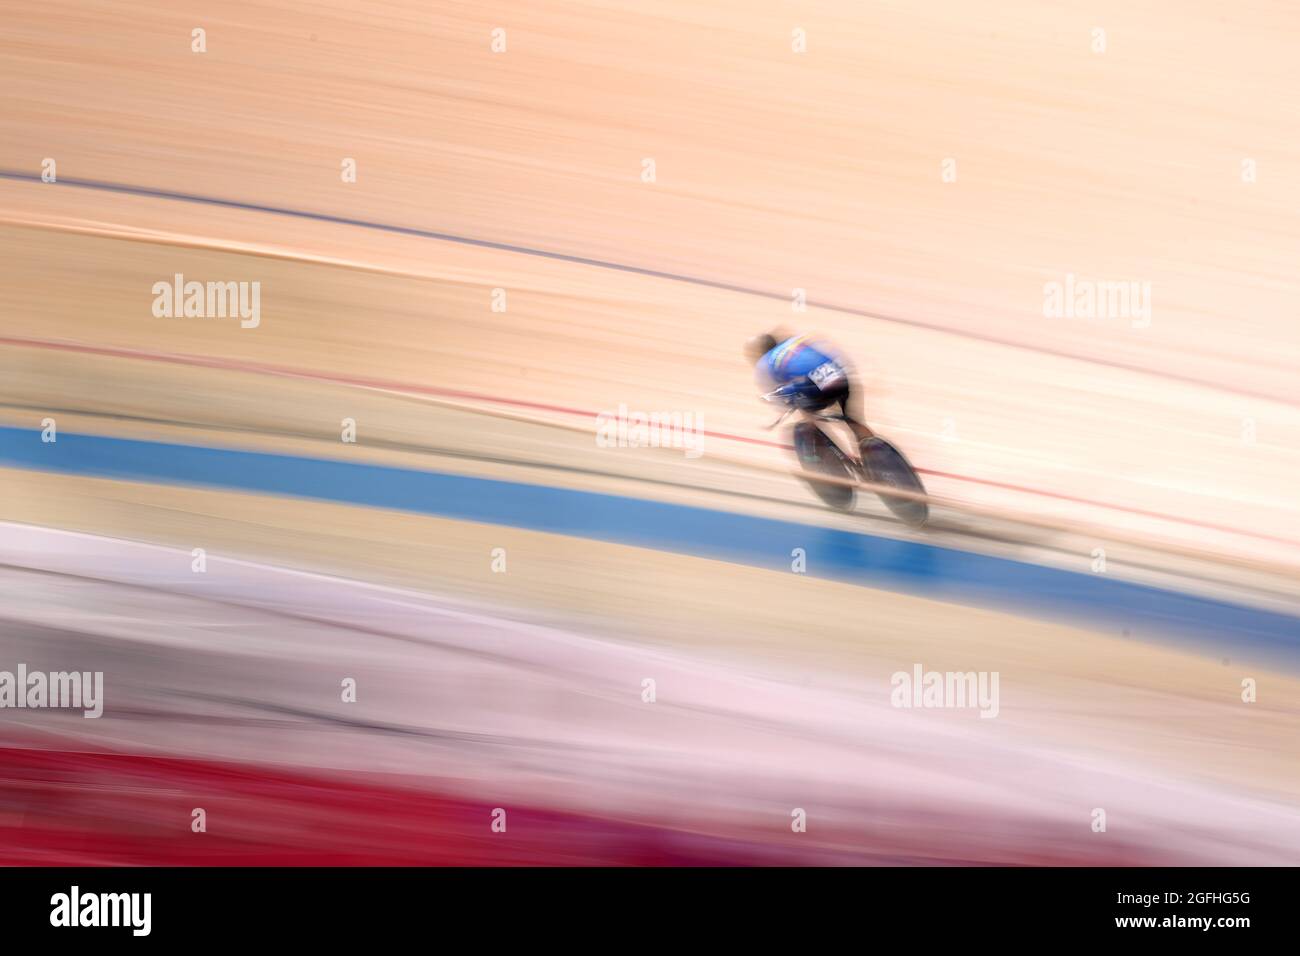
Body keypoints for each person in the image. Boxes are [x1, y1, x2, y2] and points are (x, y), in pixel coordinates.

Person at [745, 331, 875, 445]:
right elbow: (832, 351)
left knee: (798, 403)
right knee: (851, 418)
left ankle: (817, 440)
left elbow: (779, 399)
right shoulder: (795, 340)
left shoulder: (764, 364)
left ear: (759, 353)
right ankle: (866, 441)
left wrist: (777, 419)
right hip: (840, 377)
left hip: (818, 392)